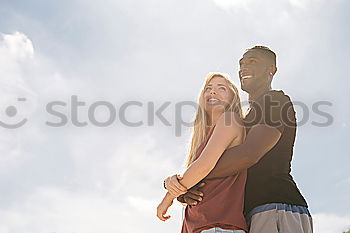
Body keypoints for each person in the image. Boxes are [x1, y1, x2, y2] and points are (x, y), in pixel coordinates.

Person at [165, 46, 313, 233]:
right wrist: (186, 190)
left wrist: (188, 180)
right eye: (241, 64)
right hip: (248, 214)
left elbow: (248, 155)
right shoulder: (241, 121)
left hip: (277, 206)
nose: (244, 67)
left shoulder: (275, 100)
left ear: (271, 70)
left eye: (253, 61)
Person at [157, 72, 248, 233]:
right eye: (208, 88)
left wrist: (168, 198)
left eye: (222, 89)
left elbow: (204, 166)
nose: (213, 91)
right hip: (199, 227)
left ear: (232, 99)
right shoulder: (204, 138)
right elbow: (198, 176)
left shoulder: (230, 120)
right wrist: (172, 181)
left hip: (218, 227)